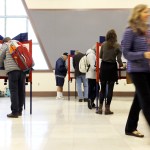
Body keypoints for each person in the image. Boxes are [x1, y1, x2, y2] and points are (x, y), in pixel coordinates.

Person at [122, 4, 150, 137]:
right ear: (138, 13)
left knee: (138, 100)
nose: (148, 14)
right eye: (145, 12)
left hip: (147, 70)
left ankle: (130, 128)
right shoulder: (130, 31)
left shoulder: (147, 30)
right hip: (137, 71)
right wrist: (143, 55)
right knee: (146, 101)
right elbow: (126, 53)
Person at [98, 29, 124, 115]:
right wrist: (121, 65)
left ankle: (100, 109)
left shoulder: (103, 44)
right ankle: (107, 109)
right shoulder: (117, 45)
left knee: (102, 89)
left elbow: (100, 56)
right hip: (112, 67)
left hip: (104, 67)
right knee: (110, 89)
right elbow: (119, 59)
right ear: (115, 36)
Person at [0, 37, 26, 118]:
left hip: (12, 71)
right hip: (23, 70)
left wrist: (1, 66)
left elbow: (0, 56)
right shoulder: (19, 44)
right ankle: (20, 111)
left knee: (14, 91)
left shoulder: (5, 45)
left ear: (4, 42)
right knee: (21, 91)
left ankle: (14, 112)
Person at [86, 45, 98, 109]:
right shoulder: (91, 55)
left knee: (92, 89)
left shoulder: (91, 54)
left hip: (92, 75)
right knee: (95, 89)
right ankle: (90, 100)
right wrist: (99, 68)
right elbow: (93, 66)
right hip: (92, 75)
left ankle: (91, 101)